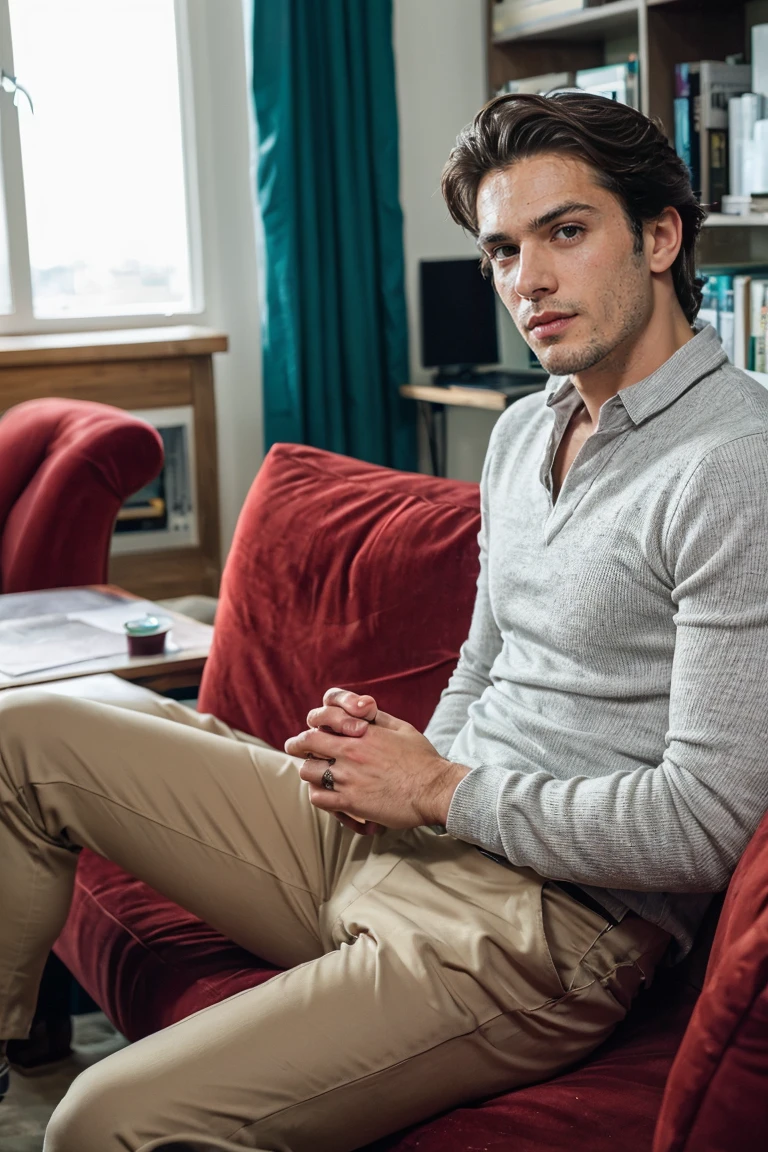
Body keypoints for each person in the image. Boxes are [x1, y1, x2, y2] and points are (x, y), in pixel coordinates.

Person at [2, 89, 768, 1152]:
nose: (527, 281)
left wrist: (442, 789)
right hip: (411, 835)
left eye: (566, 232)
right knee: (27, 732)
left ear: (660, 236)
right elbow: (483, 667)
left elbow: (706, 824)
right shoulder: (518, 434)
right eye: (501, 251)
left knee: (98, 1122)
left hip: (545, 927)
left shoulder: (735, 467)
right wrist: (392, 768)